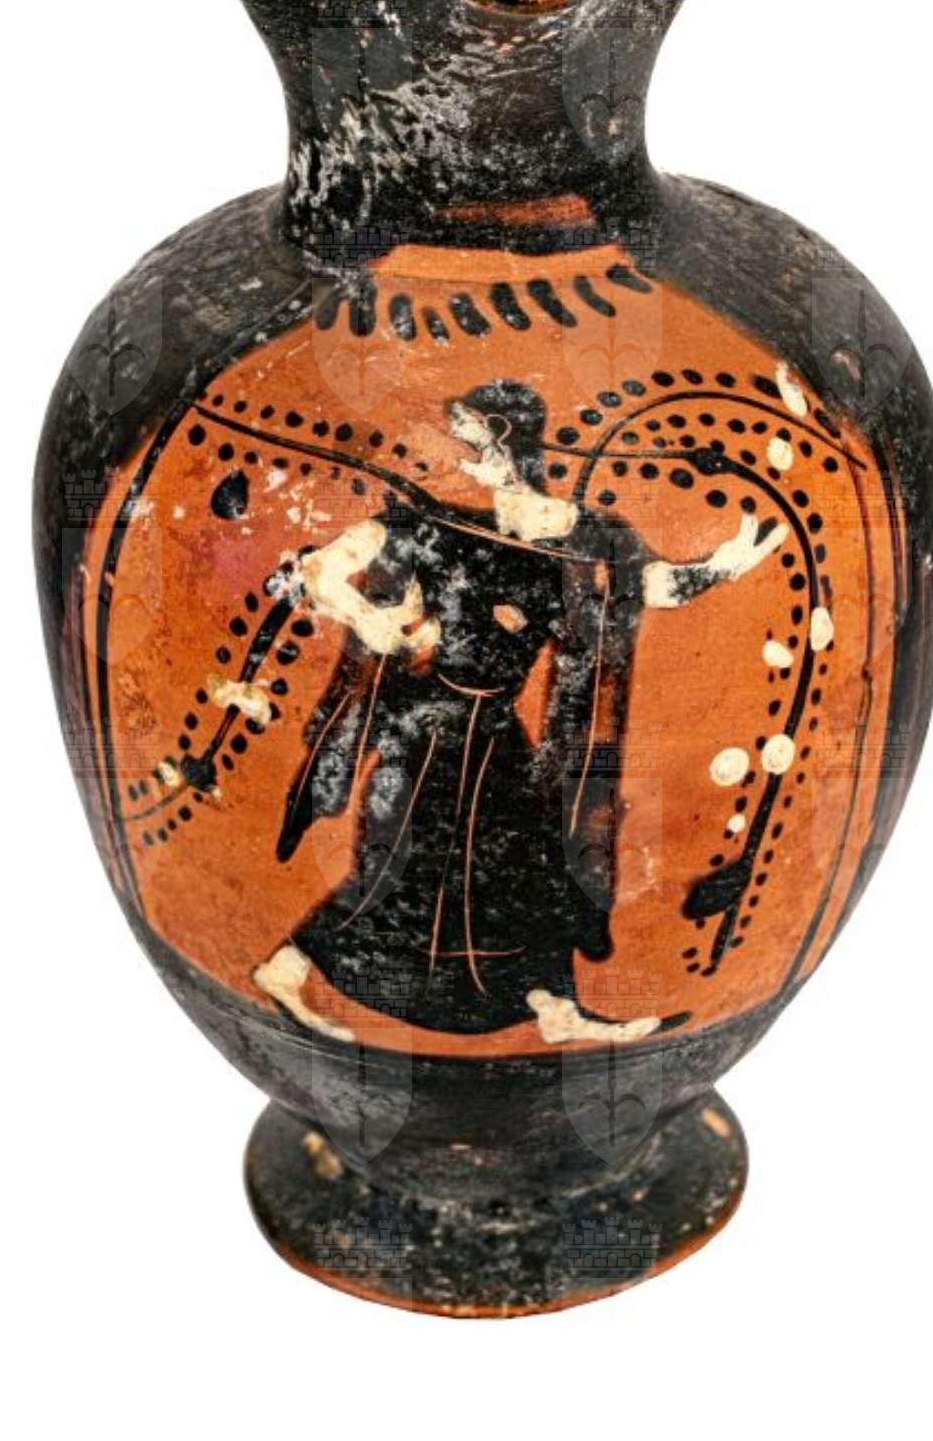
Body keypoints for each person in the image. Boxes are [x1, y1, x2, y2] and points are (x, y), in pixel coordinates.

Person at [253, 380, 787, 1043]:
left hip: (499, 733)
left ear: (505, 443)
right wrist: (368, 617)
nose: (461, 451)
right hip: (426, 731)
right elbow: (315, 571)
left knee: (534, 861)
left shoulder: (574, 546)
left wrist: (721, 566)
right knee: (400, 868)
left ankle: (552, 1004)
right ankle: (285, 968)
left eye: (470, 437)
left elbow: (647, 585)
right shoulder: (435, 531)